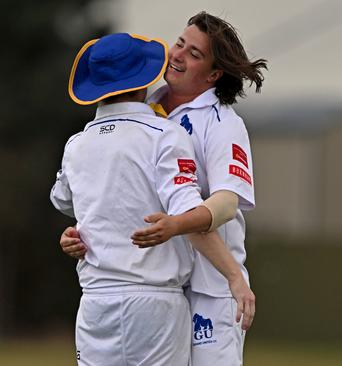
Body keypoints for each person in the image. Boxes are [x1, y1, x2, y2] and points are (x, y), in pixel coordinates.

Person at [60, 11, 267, 366]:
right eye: (180, 44)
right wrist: (81, 233)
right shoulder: (143, 104)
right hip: (158, 284)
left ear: (214, 74)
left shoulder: (224, 124)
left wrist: (180, 228)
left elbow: (227, 204)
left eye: (194, 54)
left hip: (211, 285)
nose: (178, 54)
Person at [51, 32, 218, 365]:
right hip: (156, 304)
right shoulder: (166, 135)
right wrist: (233, 275)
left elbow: (63, 200)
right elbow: (187, 210)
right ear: (144, 82)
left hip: (96, 304)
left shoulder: (76, 145)